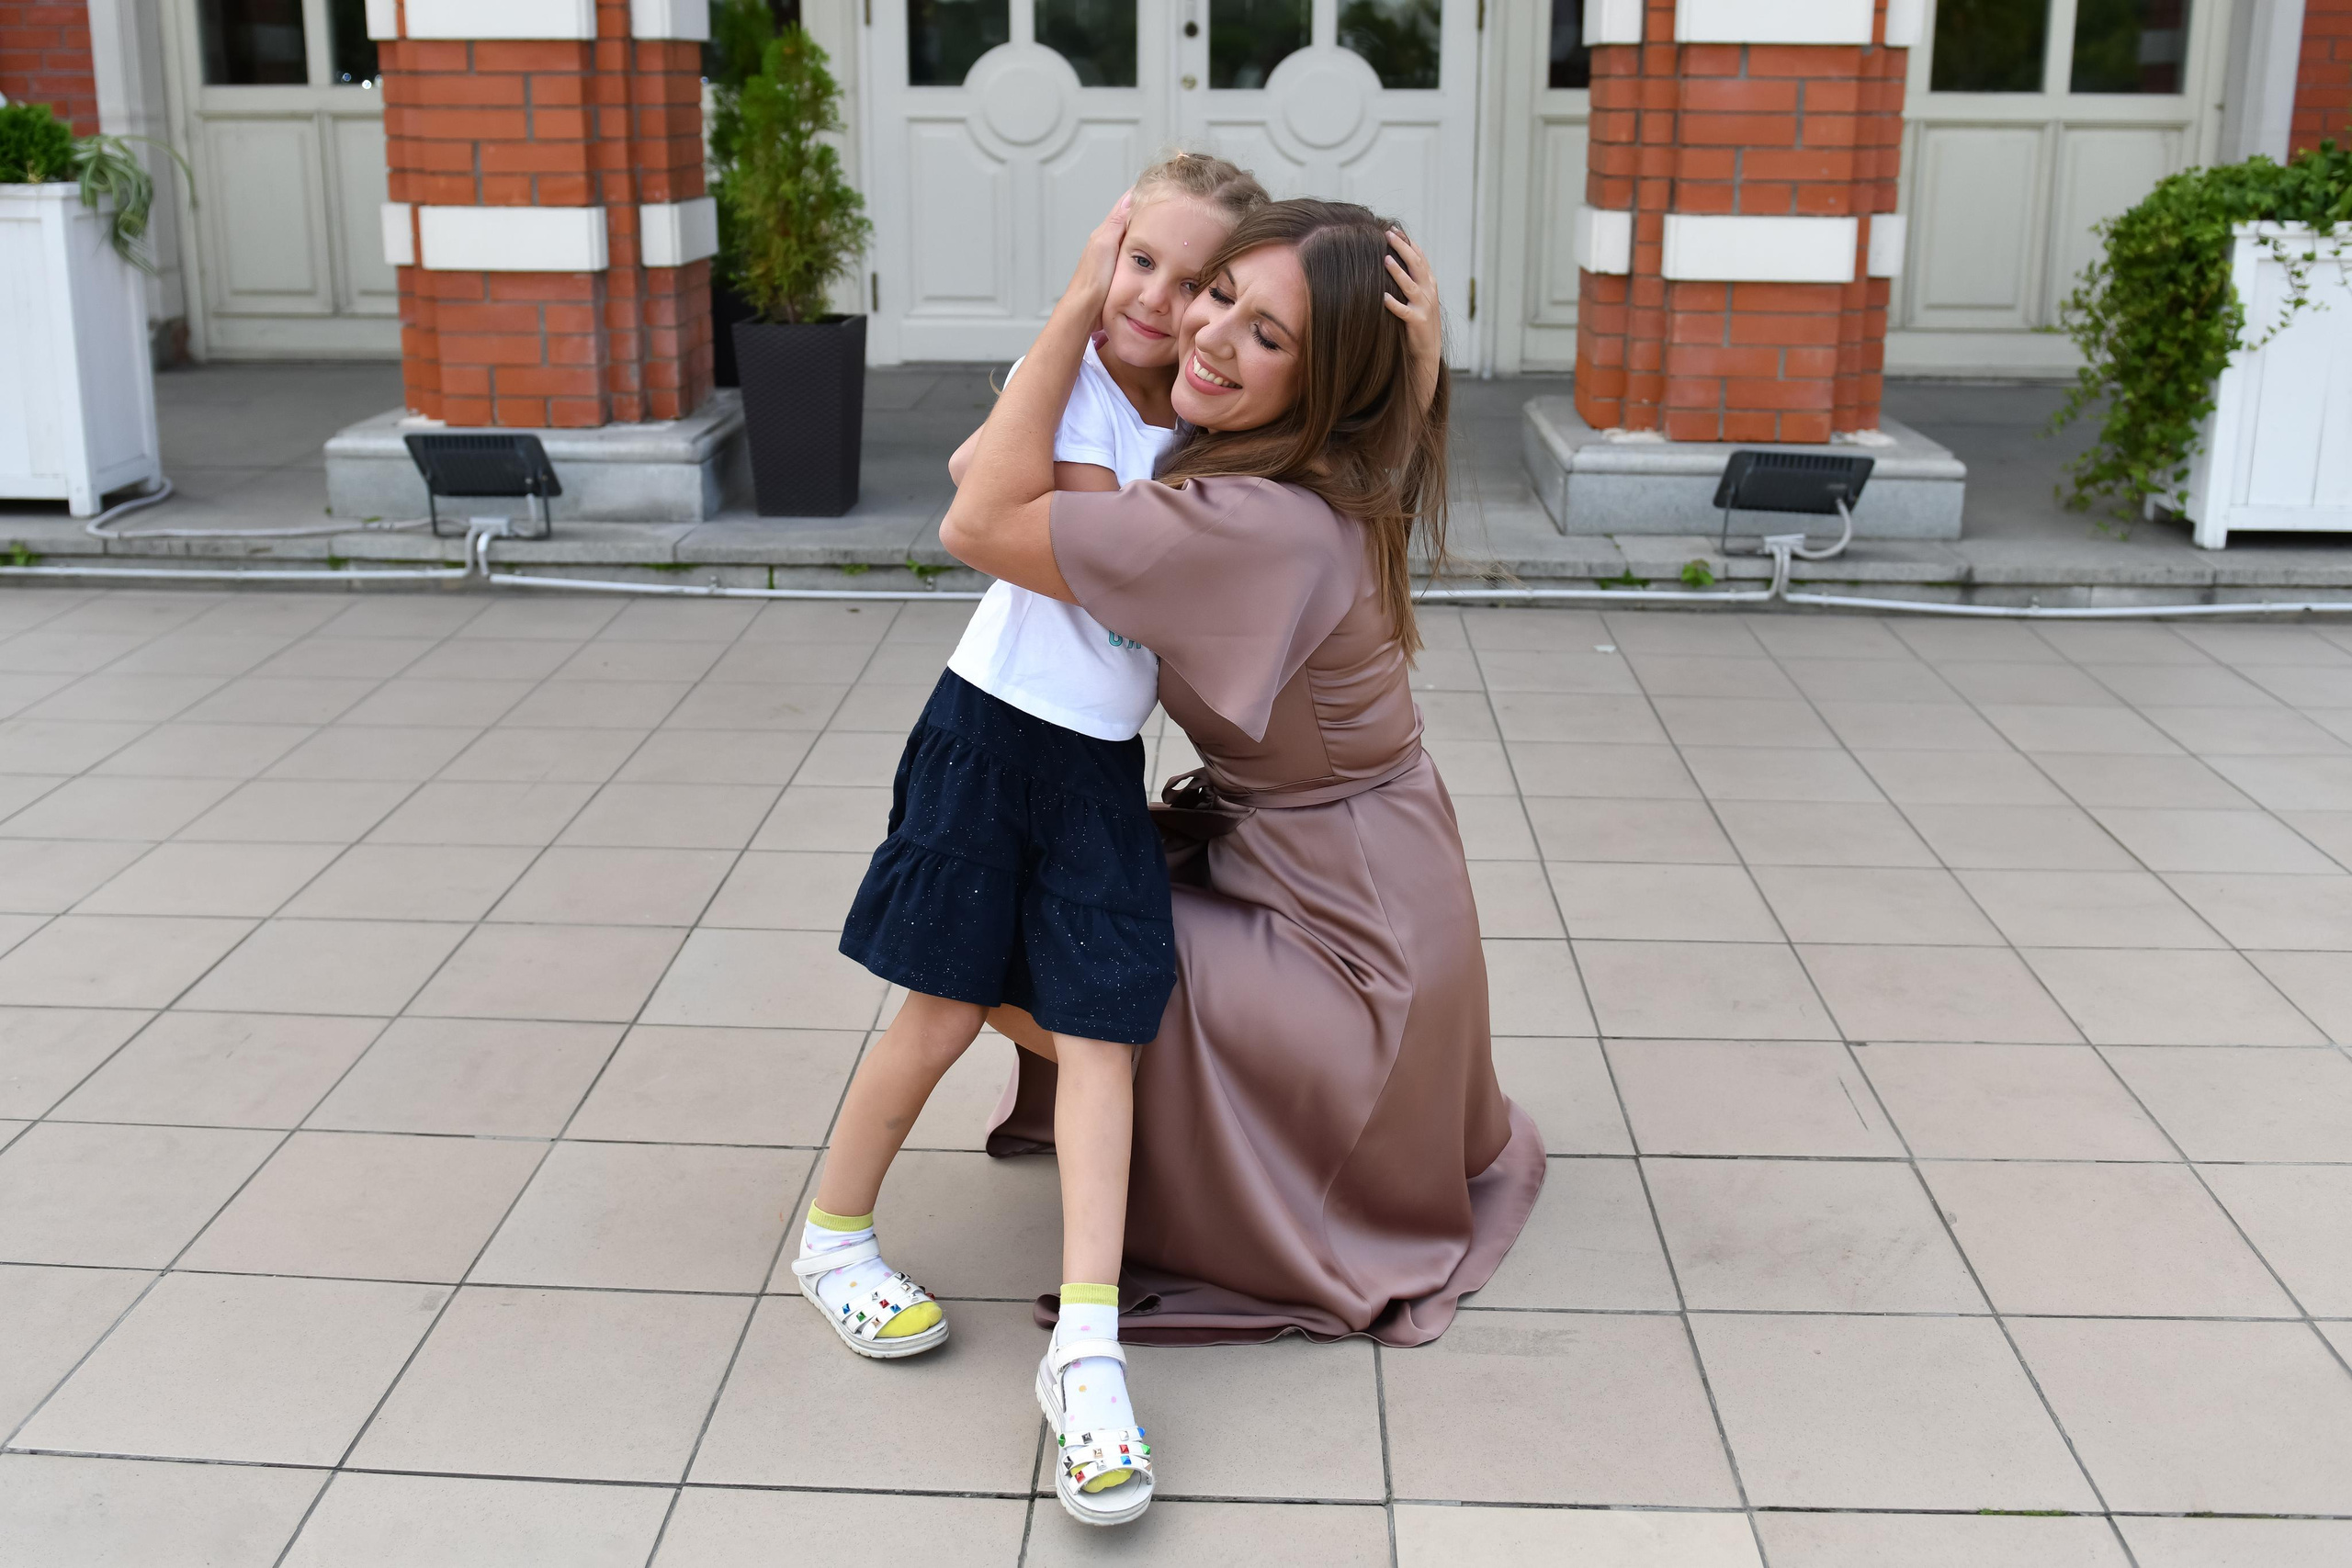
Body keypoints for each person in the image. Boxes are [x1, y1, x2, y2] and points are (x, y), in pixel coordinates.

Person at [947, 196, 1544, 1374]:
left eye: (1268, 335)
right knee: (1049, 870)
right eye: (1216, 294)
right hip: (1389, 890)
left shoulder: (1243, 522)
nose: (1211, 335)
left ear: (1327, 383)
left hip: (1341, 955)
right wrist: (1419, 362)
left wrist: (1077, 306)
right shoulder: (1334, 461)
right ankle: (1174, 1121)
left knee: (987, 913)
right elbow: (1390, 427)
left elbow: (977, 517)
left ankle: (1216, 1146)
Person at [793, 152, 1265, 1529]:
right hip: (990, 734)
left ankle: (1088, 1350)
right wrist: (1070, 308)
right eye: (1140, 261)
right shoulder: (1069, 381)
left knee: (1105, 1030)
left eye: (1197, 282)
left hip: (1098, 766)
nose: (1160, 299)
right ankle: (831, 1238)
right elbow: (1009, 507)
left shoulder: (1202, 423)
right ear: (1102, 254)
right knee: (939, 1009)